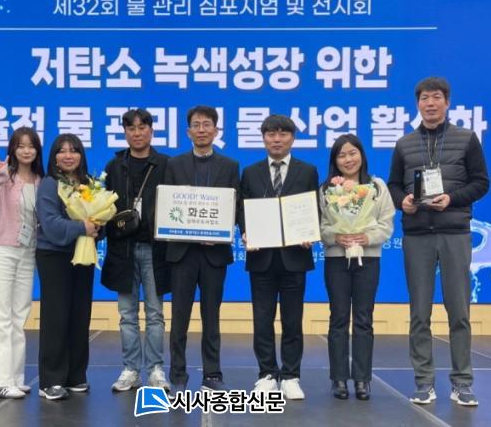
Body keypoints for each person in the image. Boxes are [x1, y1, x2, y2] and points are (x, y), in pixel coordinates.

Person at [387, 77, 489, 407]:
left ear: (447, 102)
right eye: (424, 98)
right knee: (419, 313)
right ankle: (423, 382)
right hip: (417, 235)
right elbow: (392, 185)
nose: (430, 103)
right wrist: (402, 201)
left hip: (454, 233)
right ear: (417, 104)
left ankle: (462, 383)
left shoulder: (466, 139)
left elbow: (481, 183)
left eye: (436, 97)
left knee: (459, 312)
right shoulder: (404, 144)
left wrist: (452, 199)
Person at [239, 114, 319, 400]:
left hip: (294, 257)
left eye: (283, 134)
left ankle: (291, 375)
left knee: (292, 320)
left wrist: (310, 231)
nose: (276, 139)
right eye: (271, 134)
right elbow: (242, 209)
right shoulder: (250, 172)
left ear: (292, 138)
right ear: (263, 138)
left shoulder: (307, 171)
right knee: (262, 320)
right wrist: (246, 231)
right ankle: (267, 374)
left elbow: (313, 208)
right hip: (261, 257)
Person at [164, 106, 240, 393]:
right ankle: (177, 373)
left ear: (216, 130)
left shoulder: (230, 165)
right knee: (179, 316)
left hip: (214, 254)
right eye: (196, 125)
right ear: (188, 132)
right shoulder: (174, 164)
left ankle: (212, 373)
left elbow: (235, 206)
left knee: (211, 316)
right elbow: (167, 204)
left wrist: (221, 232)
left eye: (207, 124)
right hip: (182, 253)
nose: (201, 130)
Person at [319, 134, 395, 400]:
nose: (348, 159)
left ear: (362, 155)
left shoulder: (377, 186)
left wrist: (367, 238)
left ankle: (362, 379)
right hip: (336, 260)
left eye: (352, 153)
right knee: (338, 318)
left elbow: (386, 223)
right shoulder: (326, 190)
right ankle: (338, 378)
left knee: (364, 318)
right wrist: (335, 237)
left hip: (368, 259)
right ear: (335, 160)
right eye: (341, 155)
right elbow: (320, 226)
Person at [101, 109, 171, 393]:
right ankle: (131, 369)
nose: (137, 133)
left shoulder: (166, 164)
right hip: (123, 250)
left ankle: (155, 369)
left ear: (151, 131)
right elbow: (104, 207)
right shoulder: (115, 166)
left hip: (156, 250)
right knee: (127, 314)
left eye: (143, 127)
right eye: (131, 128)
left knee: (155, 314)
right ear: (125, 132)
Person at [0, 127, 44, 399]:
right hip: (3, 250)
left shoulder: (40, 180)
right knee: (1, 316)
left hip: (28, 253)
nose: (26, 151)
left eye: (31, 146)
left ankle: (15, 377)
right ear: (12, 149)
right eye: (20, 146)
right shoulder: (3, 175)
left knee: (19, 316)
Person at [35, 133, 101, 400]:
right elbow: (50, 224)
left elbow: (97, 221)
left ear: (81, 155)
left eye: (74, 150)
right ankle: (50, 380)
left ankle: (75, 375)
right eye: (62, 151)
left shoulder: (90, 184)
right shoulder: (49, 185)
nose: (68, 155)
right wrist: (82, 227)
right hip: (54, 256)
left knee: (80, 315)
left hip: (82, 254)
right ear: (54, 158)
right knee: (56, 317)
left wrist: (99, 225)